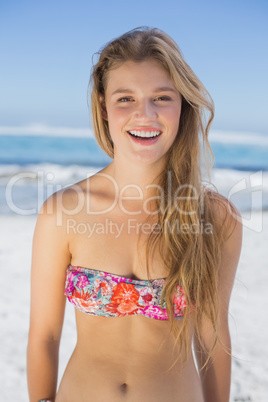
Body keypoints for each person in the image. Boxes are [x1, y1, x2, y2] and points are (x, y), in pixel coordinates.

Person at [27, 27, 242, 402]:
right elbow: (45, 335)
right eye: (126, 98)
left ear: (183, 105)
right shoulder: (62, 212)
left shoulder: (215, 217)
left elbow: (212, 341)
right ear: (104, 106)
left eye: (162, 97)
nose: (145, 114)